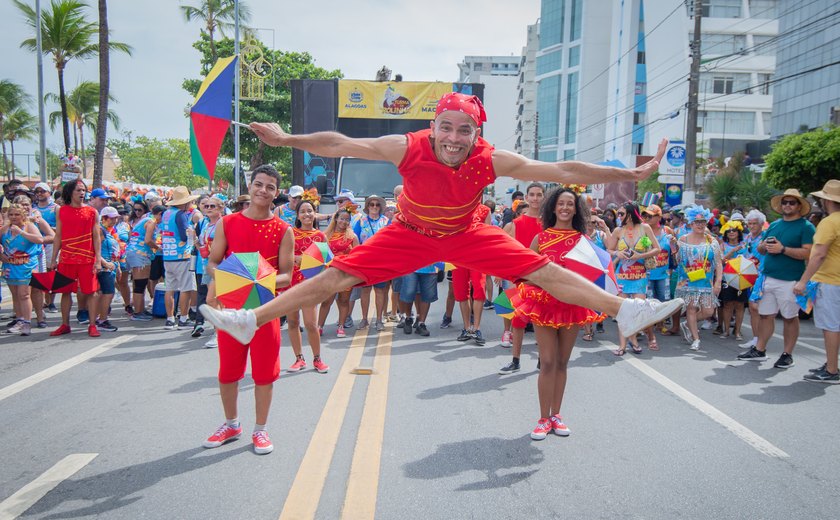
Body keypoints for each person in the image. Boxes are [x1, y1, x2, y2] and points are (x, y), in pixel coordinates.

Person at [200, 93, 683, 348]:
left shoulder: (490, 159)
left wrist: (630, 173)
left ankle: (626, 310)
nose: (454, 138)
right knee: (334, 276)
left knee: (544, 271)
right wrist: (285, 141)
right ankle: (251, 319)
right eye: (446, 128)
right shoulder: (407, 146)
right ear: (433, 128)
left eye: (464, 130)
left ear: (477, 133)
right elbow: (338, 142)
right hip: (409, 232)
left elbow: (563, 171)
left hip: (467, 232)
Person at [203, 165, 294, 455]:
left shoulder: (283, 230)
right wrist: (224, 285)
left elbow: (287, 276)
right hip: (231, 310)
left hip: (265, 310)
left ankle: (261, 430)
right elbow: (213, 263)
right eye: (258, 184)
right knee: (228, 372)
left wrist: (257, 279)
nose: (262, 190)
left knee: (264, 373)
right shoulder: (227, 223)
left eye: (269, 187)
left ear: (276, 193)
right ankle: (231, 424)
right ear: (250, 186)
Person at [511, 187, 604, 440]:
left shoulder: (584, 241)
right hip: (544, 305)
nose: (565, 208)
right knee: (548, 361)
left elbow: (594, 275)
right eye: (561, 203)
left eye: (570, 204)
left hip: (572, 305)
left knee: (562, 362)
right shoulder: (540, 239)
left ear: (576, 209)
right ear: (553, 207)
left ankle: (556, 415)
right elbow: (527, 272)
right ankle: (542, 419)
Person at [738, 189, 815, 368]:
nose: (787, 205)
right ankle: (760, 349)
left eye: (792, 202)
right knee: (765, 315)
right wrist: (764, 246)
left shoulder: (806, 227)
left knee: (790, 317)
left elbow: (809, 252)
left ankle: (787, 354)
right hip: (768, 277)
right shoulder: (774, 225)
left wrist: (783, 249)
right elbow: (762, 249)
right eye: (785, 202)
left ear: (798, 206)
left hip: (790, 279)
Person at [794, 180, 840, 383]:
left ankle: (831, 370)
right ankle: (831, 364)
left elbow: (818, 254)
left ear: (825, 201)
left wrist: (803, 282)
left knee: (830, 326)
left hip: (830, 281)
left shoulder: (829, 222)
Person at [498, 183, 544, 373]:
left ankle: (543, 359)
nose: (535, 198)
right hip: (521, 278)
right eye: (532, 194)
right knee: (518, 319)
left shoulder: (550, 223)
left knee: (543, 321)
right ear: (526, 197)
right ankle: (515, 361)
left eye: (539, 195)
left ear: (543, 197)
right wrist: (501, 273)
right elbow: (503, 252)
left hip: (544, 277)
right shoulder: (514, 225)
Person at [49, 180, 101, 337]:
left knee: (91, 292)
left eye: (84, 190)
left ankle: (92, 325)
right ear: (71, 192)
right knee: (65, 292)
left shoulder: (92, 212)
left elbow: (96, 236)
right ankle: (65, 324)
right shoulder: (62, 211)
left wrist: (98, 259)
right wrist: (53, 259)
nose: (82, 193)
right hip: (66, 258)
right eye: (78, 190)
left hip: (86, 258)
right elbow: (58, 235)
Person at [607, 201, 660, 355]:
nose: (619, 216)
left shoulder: (645, 228)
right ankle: (624, 345)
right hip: (622, 275)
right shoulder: (618, 231)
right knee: (623, 311)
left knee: (639, 308)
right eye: (618, 214)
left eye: (622, 213)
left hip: (639, 275)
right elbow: (609, 249)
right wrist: (617, 253)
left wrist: (641, 255)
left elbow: (657, 249)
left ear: (631, 213)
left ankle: (639, 338)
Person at [286, 200, 329, 373]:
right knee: (293, 321)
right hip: (291, 284)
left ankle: (317, 358)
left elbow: (325, 262)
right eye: (302, 211)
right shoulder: (290, 234)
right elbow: (283, 256)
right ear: (297, 215)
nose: (307, 214)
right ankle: (299, 358)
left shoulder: (320, 236)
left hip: (310, 285)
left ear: (315, 213)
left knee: (311, 323)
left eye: (310, 211)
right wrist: (294, 259)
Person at [674, 206, 723, 351]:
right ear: (691, 224)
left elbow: (718, 263)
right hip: (688, 280)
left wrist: (718, 281)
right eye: (697, 222)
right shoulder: (683, 239)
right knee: (691, 308)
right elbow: (678, 260)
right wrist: (673, 248)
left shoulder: (711, 240)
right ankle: (696, 339)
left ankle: (689, 323)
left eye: (703, 222)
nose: (700, 225)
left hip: (706, 281)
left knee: (708, 311)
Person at [1, 203, 46, 336]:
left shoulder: (29, 226)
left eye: (17, 214)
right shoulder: (5, 229)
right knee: (15, 295)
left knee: (24, 295)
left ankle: (27, 322)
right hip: (10, 266)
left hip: (26, 266)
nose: (14, 217)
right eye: (11, 214)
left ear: (23, 215)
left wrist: (21, 232)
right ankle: (20, 320)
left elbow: (39, 239)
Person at [161, 187, 199, 330]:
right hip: (182, 255)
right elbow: (184, 236)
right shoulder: (181, 215)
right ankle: (183, 318)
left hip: (168, 256)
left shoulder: (166, 213)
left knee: (169, 288)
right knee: (186, 288)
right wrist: (191, 233)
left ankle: (170, 319)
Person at [350, 195, 390, 332]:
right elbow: (354, 239)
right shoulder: (361, 221)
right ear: (367, 207)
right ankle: (364, 319)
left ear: (381, 207)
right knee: (365, 291)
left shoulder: (386, 221)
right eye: (371, 204)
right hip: (365, 261)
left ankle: (379, 320)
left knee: (380, 291)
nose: (374, 207)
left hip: (381, 262)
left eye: (377, 205)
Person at [317, 208, 358, 338]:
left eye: (347, 219)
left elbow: (357, 255)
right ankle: (319, 327)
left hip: (346, 274)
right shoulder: (326, 235)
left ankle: (341, 326)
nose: (344, 222)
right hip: (330, 273)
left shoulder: (352, 236)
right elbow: (320, 254)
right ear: (336, 219)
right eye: (342, 218)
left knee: (344, 301)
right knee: (326, 301)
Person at [642, 203, 674, 350]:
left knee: (662, 300)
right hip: (647, 272)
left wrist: (674, 244)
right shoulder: (643, 231)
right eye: (645, 215)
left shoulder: (667, 231)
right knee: (647, 301)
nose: (647, 218)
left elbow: (675, 250)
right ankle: (648, 325)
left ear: (659, 217)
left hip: (663, 273)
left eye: (651, 215)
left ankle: (660, 324)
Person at [193, 196, 223, 340]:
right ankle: (221, 330)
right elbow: (203, 247)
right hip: (207, 264)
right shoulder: (205, 224)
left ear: (220, 208)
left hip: (220, 265)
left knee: (213, 299)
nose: (209, 208)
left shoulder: (222, 223)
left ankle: (220, 332)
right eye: (207, 206)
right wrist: (195, 241)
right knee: (212, 300)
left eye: (213, 206)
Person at [125, 203, 160, 321]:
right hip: (140, 254)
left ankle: (140, 309)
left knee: (139, 283)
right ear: (159, 214)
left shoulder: (144, 220)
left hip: (134, 252)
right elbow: (148, 240)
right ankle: (138, 312)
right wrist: (159, 248)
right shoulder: (151, 222)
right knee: (140, 284)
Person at [738, 209, 767, 348]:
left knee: (758, 308)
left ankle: (760, 341)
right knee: (752, 308)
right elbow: (745, 252)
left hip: (762, 275)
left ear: (761, 224)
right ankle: (756, 339)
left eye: (754, 223)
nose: (751, 226)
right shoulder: (748, 237)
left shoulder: (766, 237)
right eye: (749, 223)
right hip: (749, 275)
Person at [718, 220, 748, 339]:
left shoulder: (745, 245)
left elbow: (750, 259)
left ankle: (737, 331)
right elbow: (720, 261)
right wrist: (732, 251)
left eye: (734, 230)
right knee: (727, 304)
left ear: (738, 232)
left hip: (742, 277)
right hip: (727, 278)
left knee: (740, 305)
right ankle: (726, 331)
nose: (731, 232)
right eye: (728, 230)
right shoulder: (722, 245)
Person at [94, 206, 122, 332]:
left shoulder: (110, 231)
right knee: (107, 293)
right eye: (112, 218)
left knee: (106, 293)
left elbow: (115, 251)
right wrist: (105, 263)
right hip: (105, 267)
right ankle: (102, 320)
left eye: (116, 218)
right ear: (104, 218)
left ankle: (99, 318)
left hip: (111, 266)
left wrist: (118, 267)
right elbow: (95, 250)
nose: (115, 220)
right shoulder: (100, 230)